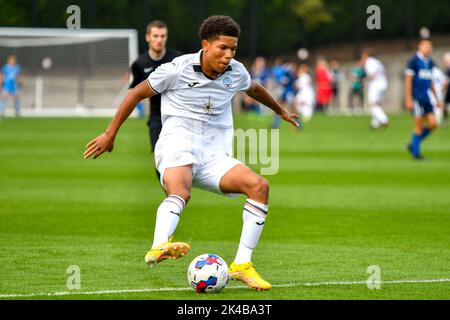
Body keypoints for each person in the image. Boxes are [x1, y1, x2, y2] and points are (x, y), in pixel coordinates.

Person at [84, 15, 299, 291]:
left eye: (233, 49)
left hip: (213, 155)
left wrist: (280, 110)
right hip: (177, 145)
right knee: (181, 192)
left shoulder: (236, 71)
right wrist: (110, 133)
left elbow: (254, 88)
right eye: (223, 48)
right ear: (206, 45)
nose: (228, 55)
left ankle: (242, 265)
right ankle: (159, 244)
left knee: (259, 186)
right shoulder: (177, 69)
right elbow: (136, 94)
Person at [129, 20, 182, 154]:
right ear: (148, 37)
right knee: (159, 157)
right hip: (156, 117)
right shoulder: (139, 63)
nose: (159, 40)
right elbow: (133, 91)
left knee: (181, 158)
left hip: (179, 115)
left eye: (163, 36)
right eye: (155, 36)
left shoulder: (178, 59)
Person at [405, 39, 441, 160]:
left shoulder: (430, 62)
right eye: (425, 46)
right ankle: (416, 154)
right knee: (418, 126)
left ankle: (413, 144)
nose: (428, 49)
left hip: (426, 98)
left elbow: (430, 81)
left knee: (433, 124)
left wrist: (436, 97)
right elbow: (408, 80)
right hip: (416, 98)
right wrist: (409, 98)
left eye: (430, 47)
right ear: (419, 47)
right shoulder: (413, 61)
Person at [361, 49, 389, 129]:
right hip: (384, 83)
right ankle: (374, 124)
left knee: (372, 105)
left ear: (365, 55)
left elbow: (372, 75)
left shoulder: (369, 62)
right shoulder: (377, 62)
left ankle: (384, 120)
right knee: (378, 104)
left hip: (375, 84)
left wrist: (364, 80)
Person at [442, 52, 450, 127]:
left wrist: (443, 88)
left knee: (445, 104)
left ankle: (445, 120)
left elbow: (446, 81)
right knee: (445, 104)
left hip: (449, 90)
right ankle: (445, 119)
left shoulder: (448, 70)